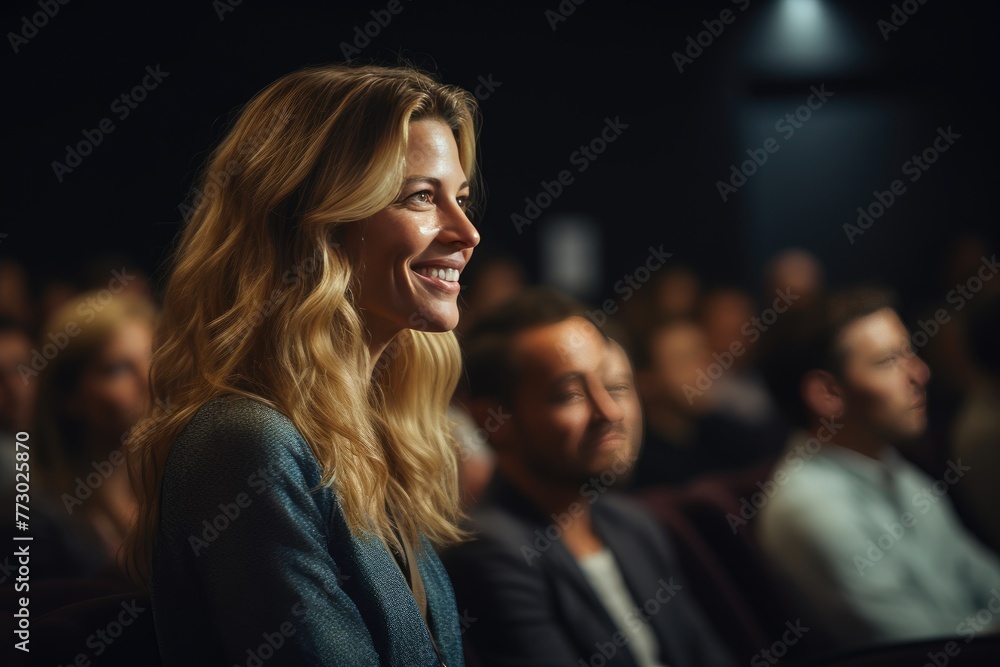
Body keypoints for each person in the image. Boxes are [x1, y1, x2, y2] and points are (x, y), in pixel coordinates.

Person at [124, 63, 482, 666]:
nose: (466, 231)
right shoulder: (244, 443)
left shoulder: (378, 435)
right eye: (421, 197)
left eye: (462, 198)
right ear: (312, 224)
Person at [443, 288, 735, 667]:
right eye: (570, 394)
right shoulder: (490, 554)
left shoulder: (633, 524)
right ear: (494, 422)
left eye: (614, 386)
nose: (610, 411)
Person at [755, 287, 1000, 649]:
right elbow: (927, 650)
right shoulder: (811, 509)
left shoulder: (891, 466)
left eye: (910, 352)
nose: (921, 372)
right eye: (888, 361)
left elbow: (986, 581)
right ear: (827, 394)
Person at [29, 292, 156, 581]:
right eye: (118, 368)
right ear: (69, 396)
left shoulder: (177, 493)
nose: (150, 379)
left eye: (154, 355)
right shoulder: (40, 520)